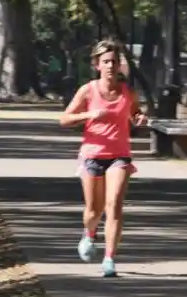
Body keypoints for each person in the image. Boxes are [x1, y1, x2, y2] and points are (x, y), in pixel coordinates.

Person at [60, 39, 148, 277]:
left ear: (120, 65)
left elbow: (136, 113)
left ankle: (109, 258)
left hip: (119, 156)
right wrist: (89, 114)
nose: (111, 65)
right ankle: (89, 234)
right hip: (92, 155)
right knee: (93, 210)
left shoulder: (128, 92)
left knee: (114, 205)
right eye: (106, 61)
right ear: (97, 65)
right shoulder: (88, 90)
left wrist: (140, 119)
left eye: (115, 61)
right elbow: (64, 119)